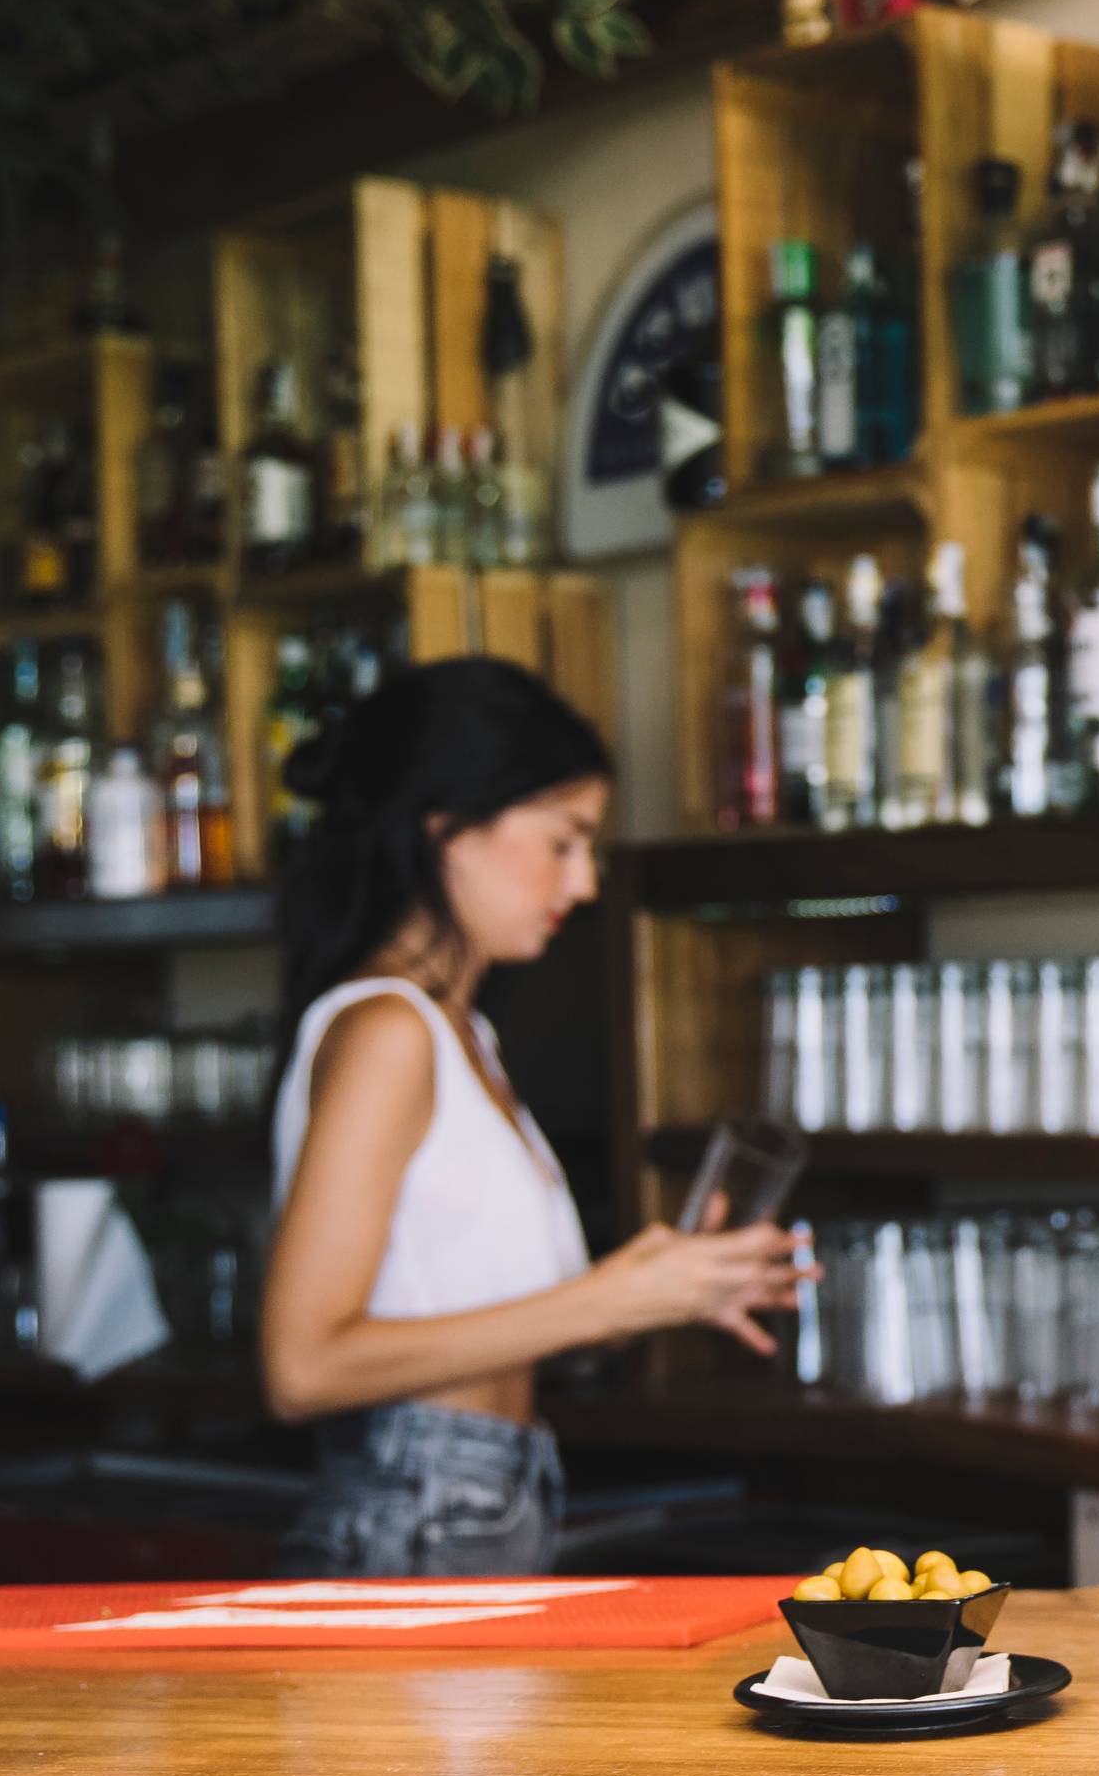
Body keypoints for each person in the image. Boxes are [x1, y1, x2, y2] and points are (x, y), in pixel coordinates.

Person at [261, 658, 796, 1575]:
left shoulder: (462, 1033)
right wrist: (606, 1301)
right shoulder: (389, 1029)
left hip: (485, 1495)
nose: (583, 883)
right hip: (415, 1504)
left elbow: (486, 1313)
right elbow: (302, 1367)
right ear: (450, 832)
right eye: (564, 841)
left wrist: (663, 1286)